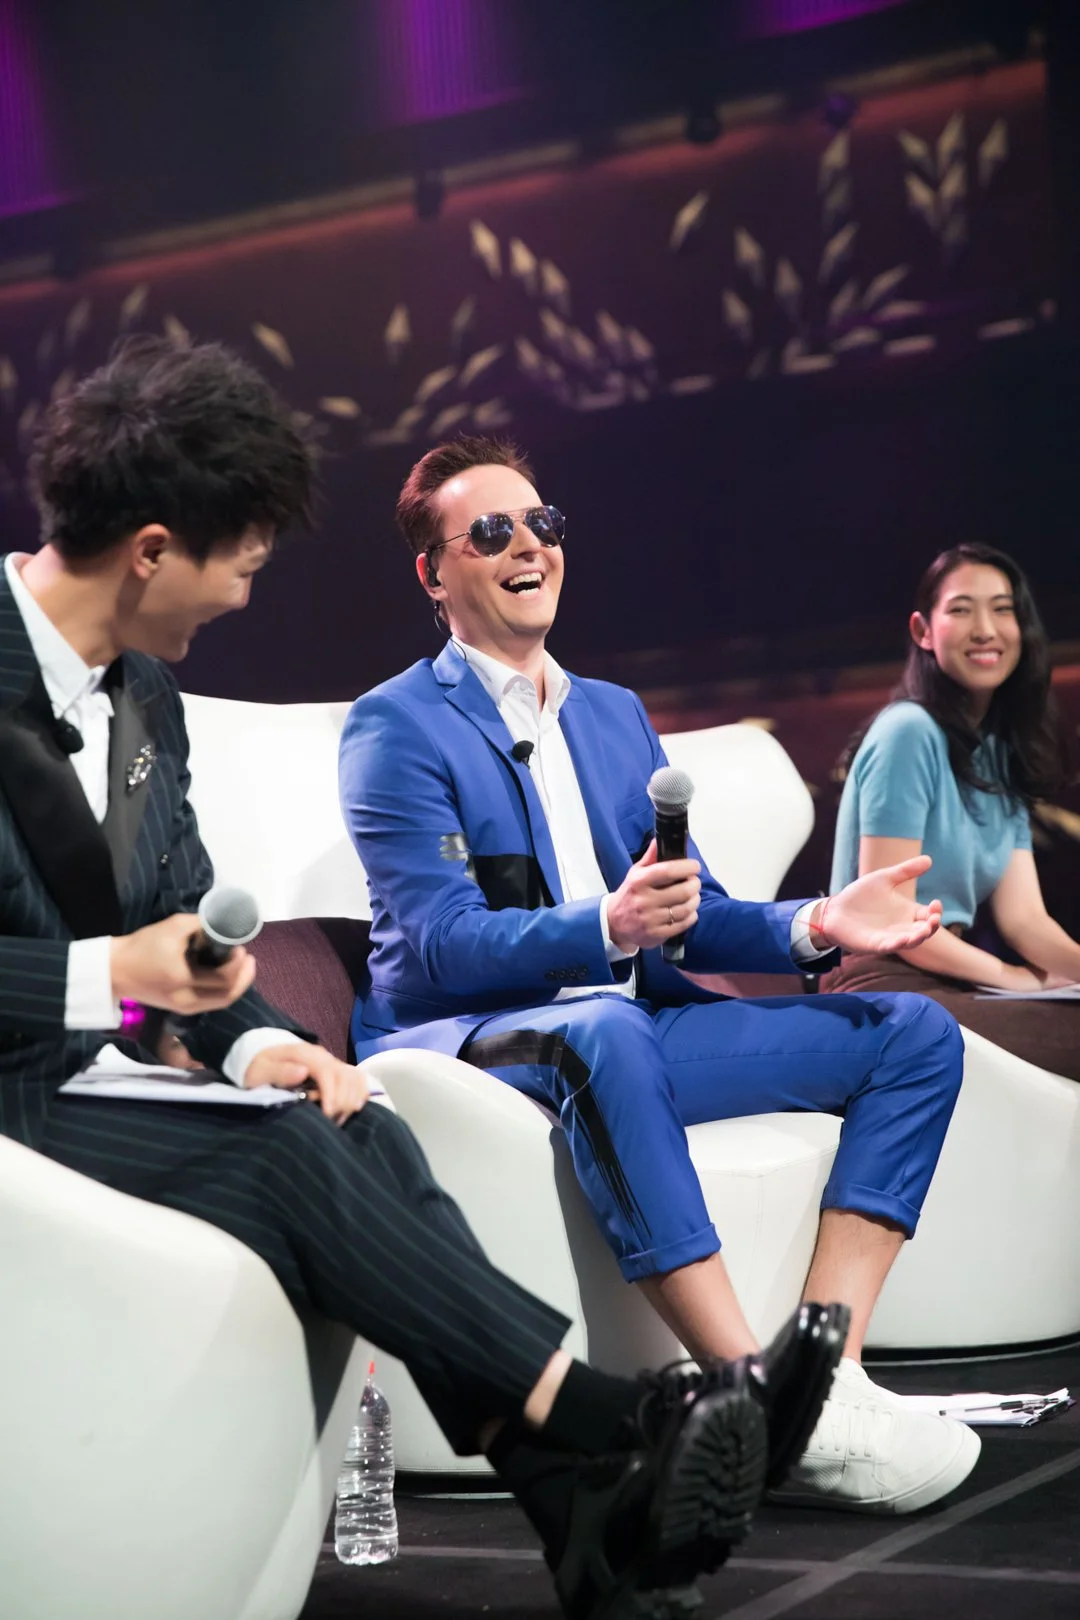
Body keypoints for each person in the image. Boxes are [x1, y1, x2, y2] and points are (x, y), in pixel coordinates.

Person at [0, 338, 850, 1620]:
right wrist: (99, 982)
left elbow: (183, 939)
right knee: (288, 1156)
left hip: (107, 1070)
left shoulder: (149, 701)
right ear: (155, 548)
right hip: (19, 1092)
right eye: (242, 564)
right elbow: (119, 968)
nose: (241, 599)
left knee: (363, 1124)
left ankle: (583, 1525)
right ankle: (613, 1419)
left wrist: (253, 1045)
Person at [338, 435, 982, 1516]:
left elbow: (694, 915)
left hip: (629, 1031)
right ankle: (745, 1391)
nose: (527, 545)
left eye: (542, 523)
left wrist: (818, 923)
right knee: (604, 1026)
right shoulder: (393, 725)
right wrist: (607, 925)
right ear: (433, 572)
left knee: (914, 1037)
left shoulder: (610, 713)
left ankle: (829, 1378)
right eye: (490, 531)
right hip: (478, 1040)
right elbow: (443, 944)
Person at [827, 542, 1080, 1080]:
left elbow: (1025, 919)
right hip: (883, 986)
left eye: (1003, 608)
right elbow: (889, 915)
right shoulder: (908, 731)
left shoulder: (997, 753)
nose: (985, 628)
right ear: (923, 631)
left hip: (954, 980)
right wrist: (1011, 978)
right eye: (962, 610)